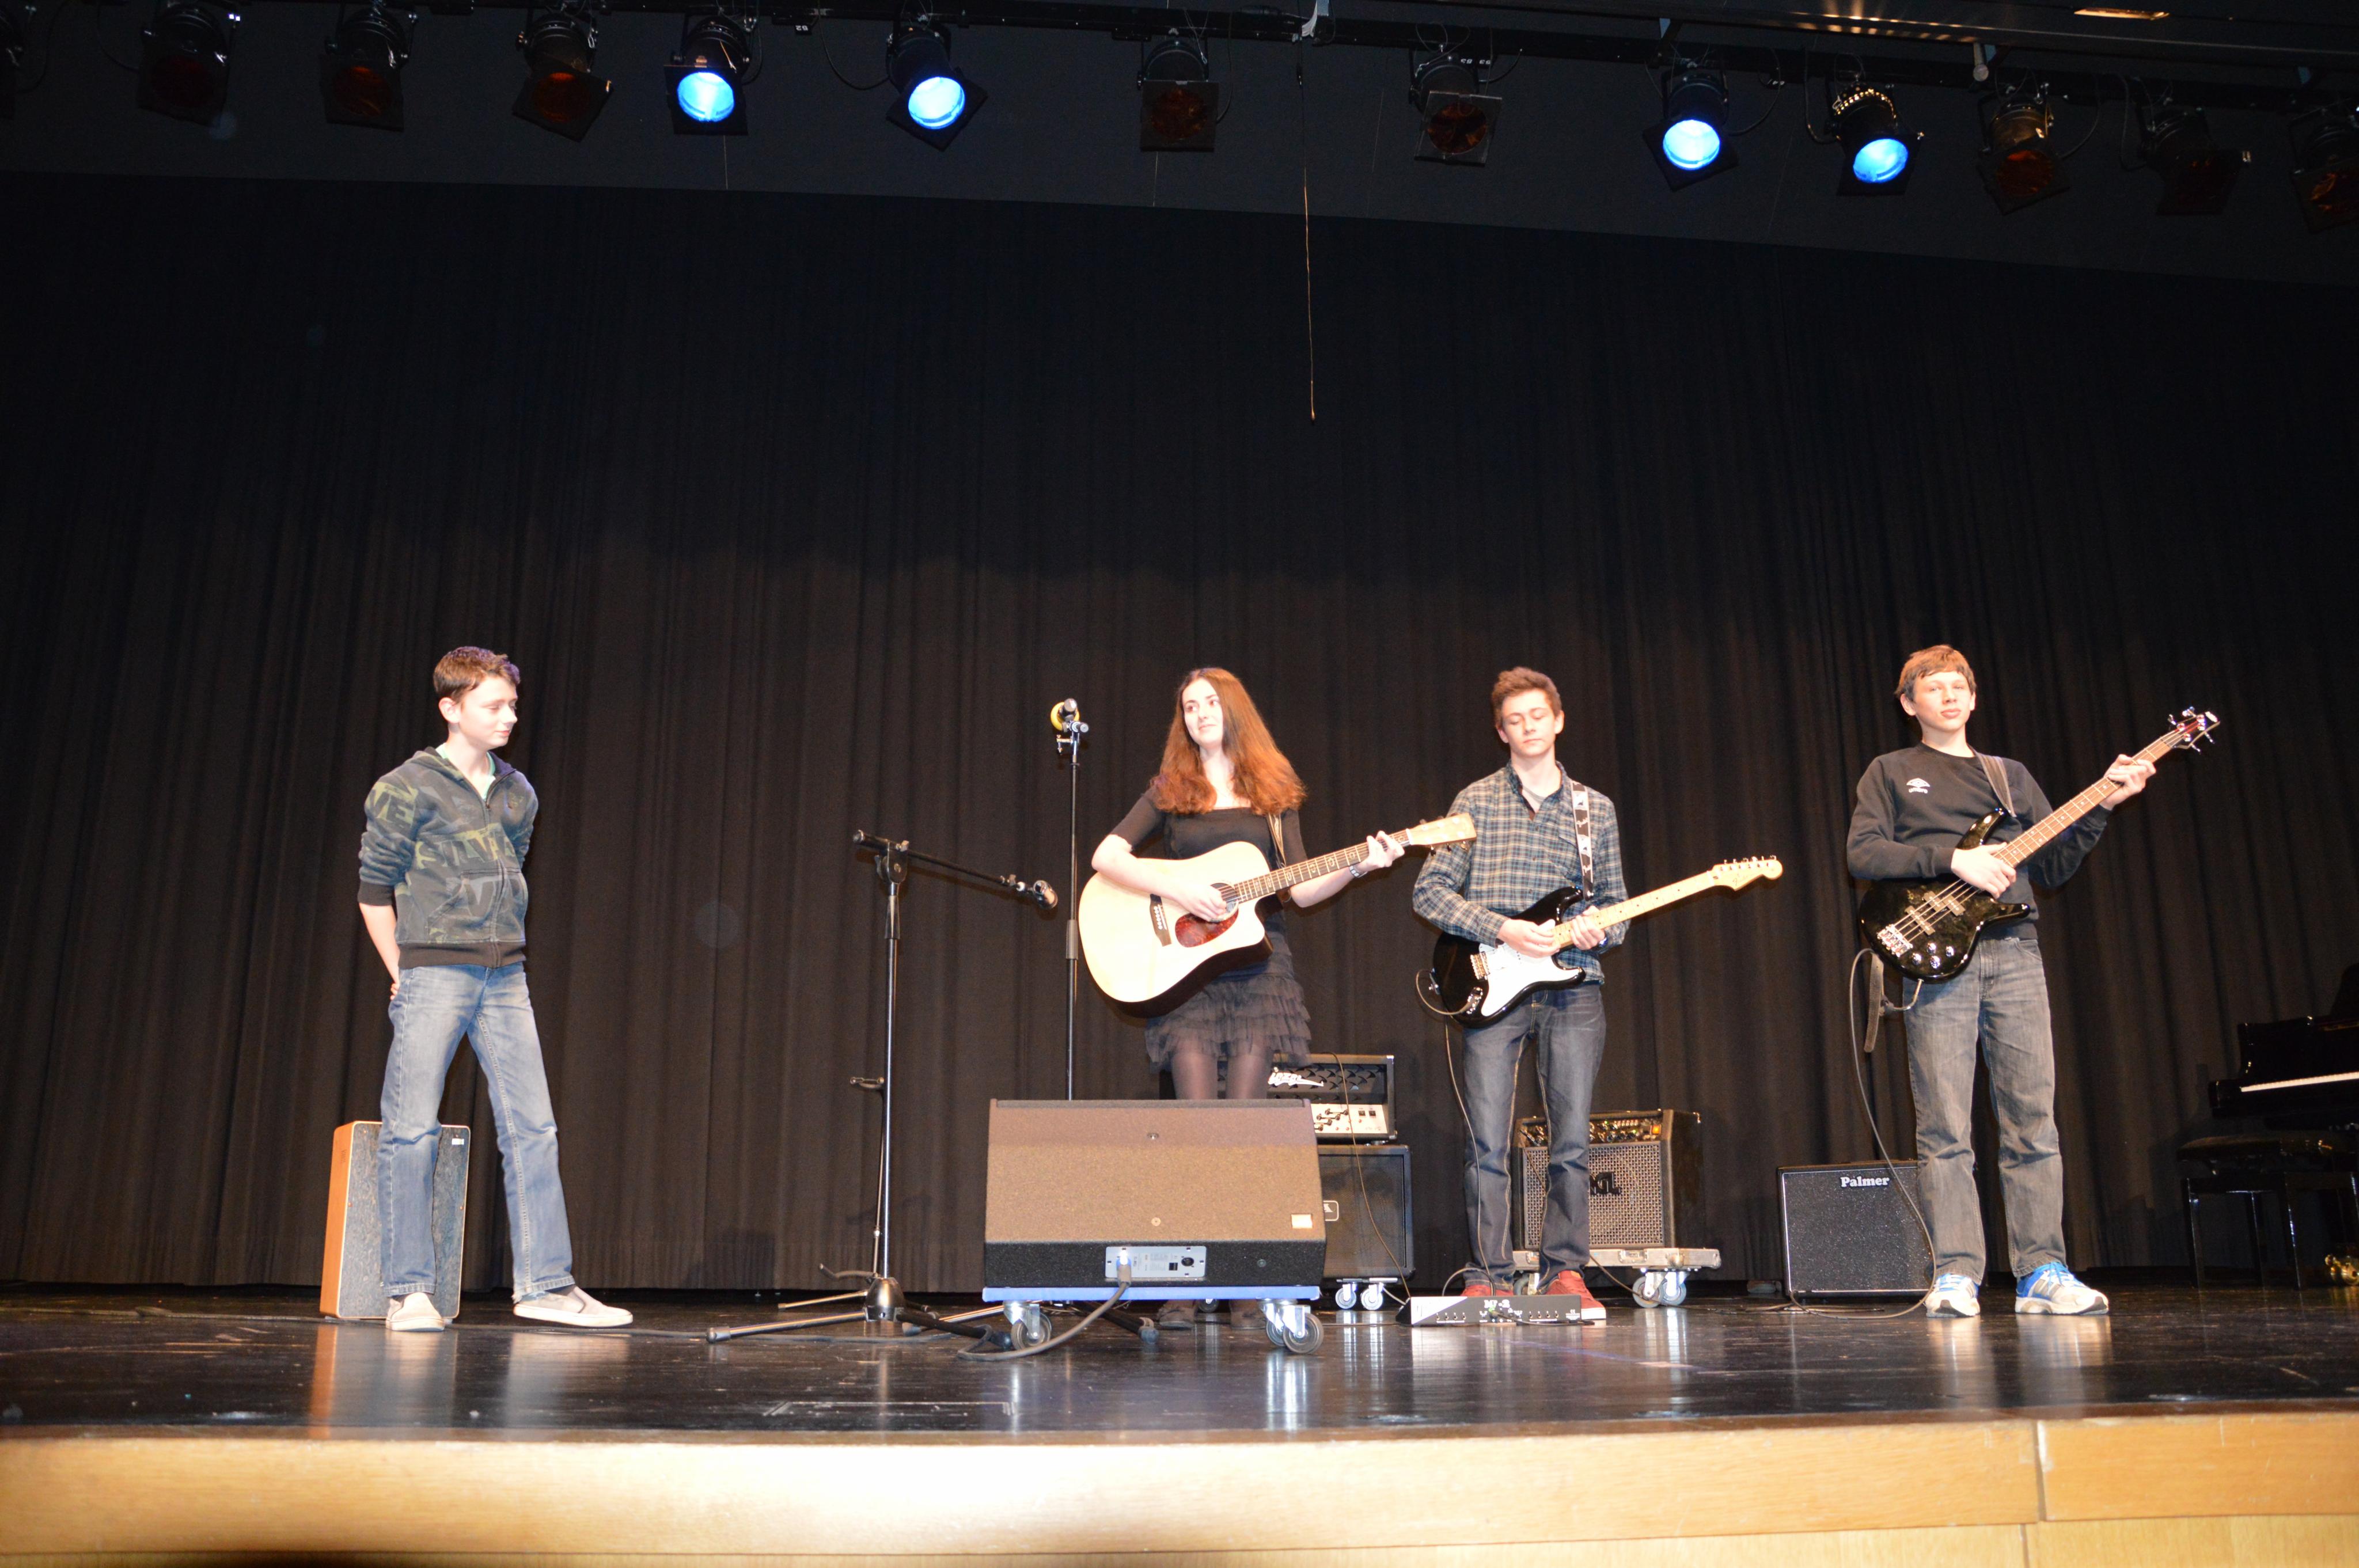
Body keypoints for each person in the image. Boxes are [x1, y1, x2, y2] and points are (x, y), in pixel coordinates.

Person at [1091, 667, 1403, 1330]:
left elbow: (1301, 889)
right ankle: (1182, 1288)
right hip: (1187, 980)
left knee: (1242, 1132)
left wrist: (1359, 863)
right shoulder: (1171, 788)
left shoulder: (1271, 790)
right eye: (1189, 705)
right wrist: (1175, 886)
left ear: (1233, 709)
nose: (1200, 712)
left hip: (1259, 973)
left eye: (1210, 701)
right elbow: (1107, 856)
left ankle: (1241, 1286)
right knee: (1194, 1130)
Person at [1846, 644, 2153, 1318]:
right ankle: (1956, 1272)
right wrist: (1953, 859)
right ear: (1909, 703)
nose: (1949, 696)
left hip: (2015, 951)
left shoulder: (2008, 776)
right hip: (1935, 955)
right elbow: (1863, 852)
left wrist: (2104, 804)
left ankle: (2041, 1269)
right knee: (1945, 1125)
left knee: (2031, 1119)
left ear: (1974, 698)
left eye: (1959, 686)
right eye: (1933, 687)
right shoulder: (1890, 770)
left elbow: (2056, 864)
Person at [357, 647, 630, 1332]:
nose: (509, 716)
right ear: (451, 709)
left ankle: (545, 1284)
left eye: (512, 704)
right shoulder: (406, 786)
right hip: (434, 970)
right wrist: (402, 971)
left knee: (534, 1127)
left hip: (506, 973)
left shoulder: (518, 792)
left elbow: (510, 873)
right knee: (411, 1129)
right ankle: (408, 1291)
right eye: (493, 705)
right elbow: (373, 891)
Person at [1412, 668, 1625, 1320]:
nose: (1529, 726)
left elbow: (1616, 911)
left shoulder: (1595, 809)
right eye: (1515, 720)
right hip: (1490, 982)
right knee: (1487, 1141)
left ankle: (1566, 1270)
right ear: (1500, 731)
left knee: (1571, 1141)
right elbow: (1429, 892)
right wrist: (1500, 927)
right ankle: (1488, 1273)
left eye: (1538, 715)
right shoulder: (1473, 801)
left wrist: (1597, 929)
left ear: (1558, 721)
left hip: (1573, 985)